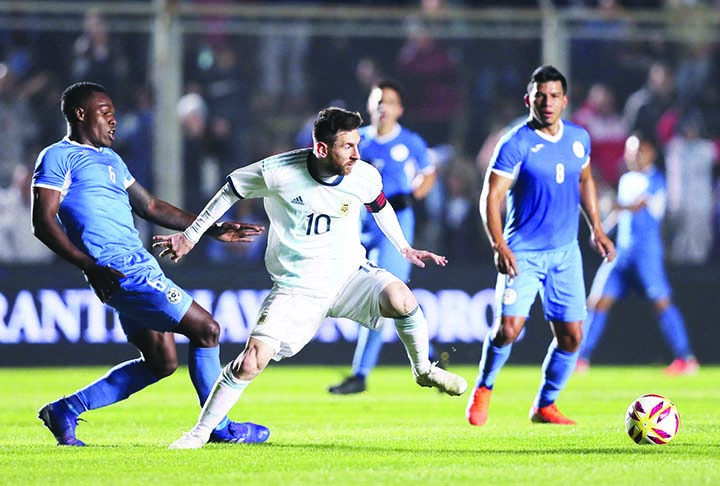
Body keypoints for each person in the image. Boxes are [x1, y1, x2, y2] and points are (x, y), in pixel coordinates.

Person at [153, 106, 468, 449]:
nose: (357, 154)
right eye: (347, 146)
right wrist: (191, 235)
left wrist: (404, 248)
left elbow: (380, 207)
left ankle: (423, 370)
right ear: (321, 149)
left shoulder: (362, 175)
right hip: (297, 288)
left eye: (357, 144)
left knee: (402, 298)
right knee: (250, 361)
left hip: (349, 276)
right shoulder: (278, 172)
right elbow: (230, 189)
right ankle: (199, 433)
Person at [31, 82, 268, 446]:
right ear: (81, 114)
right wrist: (88, 265)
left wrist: (211, 227)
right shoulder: (57, 157)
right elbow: (43, 222)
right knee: (207, 329)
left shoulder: (111, 160)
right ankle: (218, 426)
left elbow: (151, 207)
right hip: (118, 269)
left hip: (139, 264)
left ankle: (64, 410)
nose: (113, 120)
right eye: (105, 112)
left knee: (161, 362)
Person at [466, 65, 615, 427]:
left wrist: (595, 227)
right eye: (540, 96)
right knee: (509, 329)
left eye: (553, 96)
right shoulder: (515, 142)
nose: (547, 102)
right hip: (524, 253)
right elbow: (492, 195)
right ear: (528, 99)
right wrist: (499, 244)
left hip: (566, 253)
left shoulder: (579, 138)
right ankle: (484, 388)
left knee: (572, 336)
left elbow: (584, 181)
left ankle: (544, 405)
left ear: (564, 101)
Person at [327, 81, 437, 395]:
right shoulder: (360, 144)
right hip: (358, 229)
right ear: (370, 106)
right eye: (378, 101)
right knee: (385, 301)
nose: (383, 107)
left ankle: (362, 374)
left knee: (383, 298)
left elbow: (429, 173)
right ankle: (430, 358)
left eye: (389, 102)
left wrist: (413, 196)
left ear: (399, 109)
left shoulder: (410, 142)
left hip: (395, 230)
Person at [577, 132, 699, 375]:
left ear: (650, 152)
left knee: (661, 303)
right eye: (630, 152)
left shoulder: (656, 180)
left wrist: (613, 205)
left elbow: (639, 205)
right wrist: (601, 231)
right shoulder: (627, 180)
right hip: (622, 252)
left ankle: (686, 358)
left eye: (638, 151)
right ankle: (580, 359)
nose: (634, 156)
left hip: (647, 253)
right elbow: (622, 214)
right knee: (597, 301)